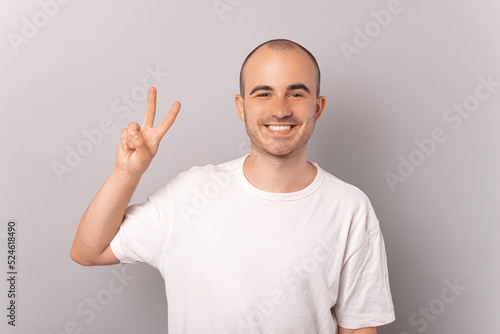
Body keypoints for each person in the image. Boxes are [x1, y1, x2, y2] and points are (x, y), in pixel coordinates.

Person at [70, 39, 395, 334]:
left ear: (318, 107)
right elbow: (88, 251)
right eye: (263, 93)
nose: (280, 109)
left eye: (296, 93)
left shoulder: (349, 207)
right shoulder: (190, 194)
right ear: (241, 106)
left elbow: (357, 328)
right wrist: (126, 174)